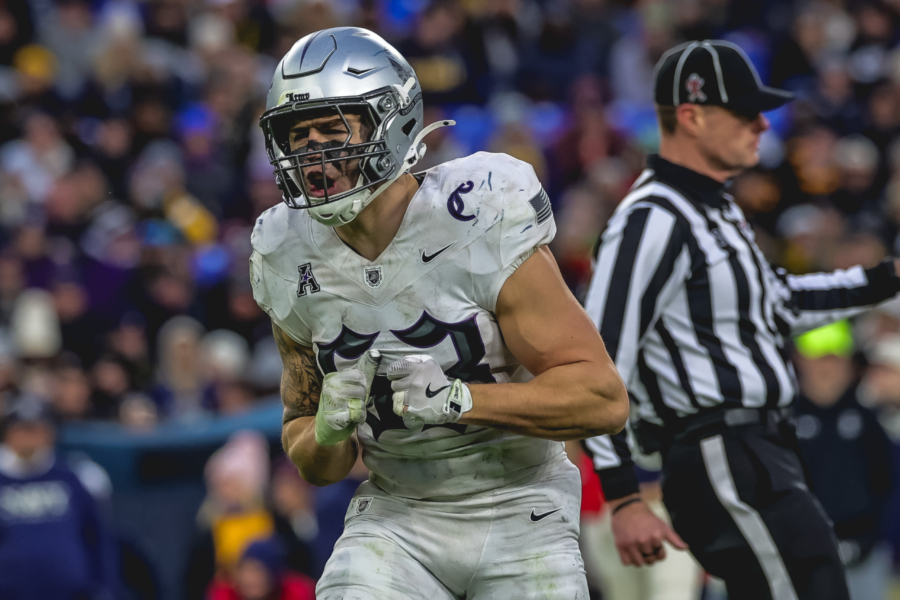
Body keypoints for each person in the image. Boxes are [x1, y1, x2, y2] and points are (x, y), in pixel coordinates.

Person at [250, 26, 628, 600]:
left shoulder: (478, 211)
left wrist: (463, 400)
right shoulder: (286, 251)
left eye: (333, 129)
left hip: (519, 504)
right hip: (396, 515)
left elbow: (602, 398)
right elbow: (311, 453)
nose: (313, 154)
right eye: (297, 136)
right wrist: (327, 431)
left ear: (393, 121)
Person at [582, 40, 900, 600]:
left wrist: (885, 278)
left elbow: (777, 302)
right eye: (745, 111)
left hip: (759, 447)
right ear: (692, 115)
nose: (761, 124)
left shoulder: (718, 209)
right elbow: (599, 359)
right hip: (716, 448)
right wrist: (624, 495)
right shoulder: (652, 218)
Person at [793, 322, 894, 600]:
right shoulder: (780, 420)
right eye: (818, 357)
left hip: (866, 551)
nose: (827, 367)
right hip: (799, 559)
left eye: (835, 357)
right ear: (798, 359)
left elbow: (886, 479)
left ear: (850, 362)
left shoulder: (872, 415)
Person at [0, 394, 118, 600]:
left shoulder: (74, 478)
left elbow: (97, 539)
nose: (30, 439)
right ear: (8, 435)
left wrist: (105, 588)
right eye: (22, 430)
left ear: (50, 434)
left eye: (36, 431)